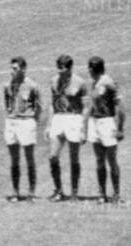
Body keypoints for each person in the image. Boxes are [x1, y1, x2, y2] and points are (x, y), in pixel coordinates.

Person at [47, 54, 87, 201]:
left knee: (74, 158)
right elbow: (52, 105)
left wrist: (83, 129)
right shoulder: (53, 81)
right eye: (58, 68)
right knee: (53, 156)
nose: (60, 72)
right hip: (58, 118)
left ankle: (74, 193)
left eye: (62, 69)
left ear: (70, 68)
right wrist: (48, 125)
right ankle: (58, 191)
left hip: (74, 118)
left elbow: (86, 107)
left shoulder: (80, 82)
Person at [85, 56, 124, 204]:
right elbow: (90, 106)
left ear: (95, 69)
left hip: (107, 123)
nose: (88, 72)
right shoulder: (93, 83)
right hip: (94, 123)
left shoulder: (109, 83)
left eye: (89, 69)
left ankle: (116, 194)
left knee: (112, 161)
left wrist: (120, 128)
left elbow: (121, 108)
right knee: (99, 161)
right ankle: (102, 194)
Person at [3, 56, 40, 202]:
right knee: (14, 160)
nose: (12, 71)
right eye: (11, 68)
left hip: (26, 122)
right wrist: (12, 116)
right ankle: (15, 192)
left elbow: (39, 106)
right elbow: (7, 103)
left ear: (23, 69)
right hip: (12, 122)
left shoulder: (32, 85)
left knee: (29, 158)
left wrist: (31, 121)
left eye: (15, 69)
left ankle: (31, 192)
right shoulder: (7, 85)